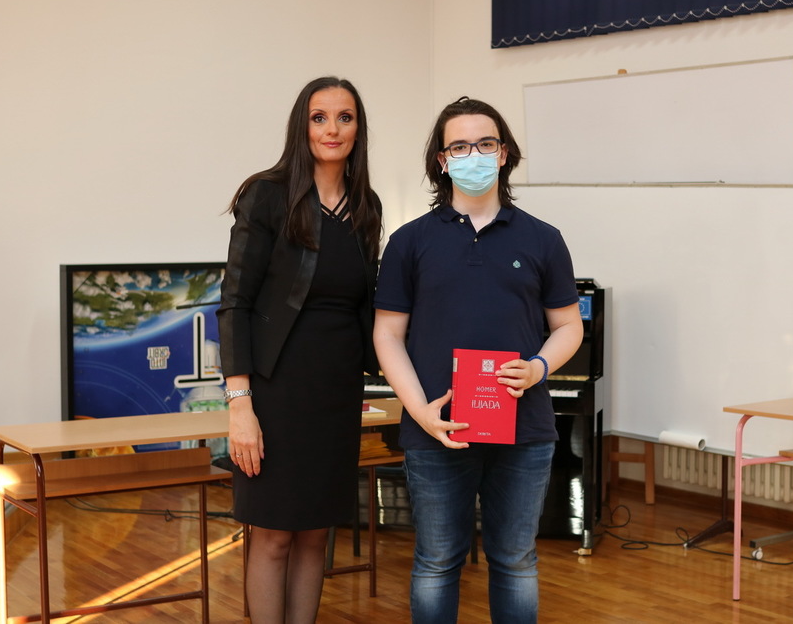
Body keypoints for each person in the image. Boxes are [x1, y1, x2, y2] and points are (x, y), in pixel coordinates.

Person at [373, 96, 584, 623]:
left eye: (485, 144)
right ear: (442, 160)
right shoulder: (409, 242)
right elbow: (387, 335)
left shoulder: (544, 239)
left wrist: (538, 367)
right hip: (436, 428)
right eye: (460, 146)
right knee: (436, 562)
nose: (474, 155)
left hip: (524, 430)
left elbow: (568, 326)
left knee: (515, 561)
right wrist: (420, 412)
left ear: (504, 153)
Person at [216, 76, 382, 623]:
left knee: (315, 534)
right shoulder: (267, 195)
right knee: (272, 537)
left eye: (345, 117)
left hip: (336, 394)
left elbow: (370, 305)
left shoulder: (367, 206)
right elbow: (235, 303)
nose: (332, 129)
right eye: (319, 117)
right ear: (301, 126)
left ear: (358, 129)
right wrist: (240, 404)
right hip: (275, 392)